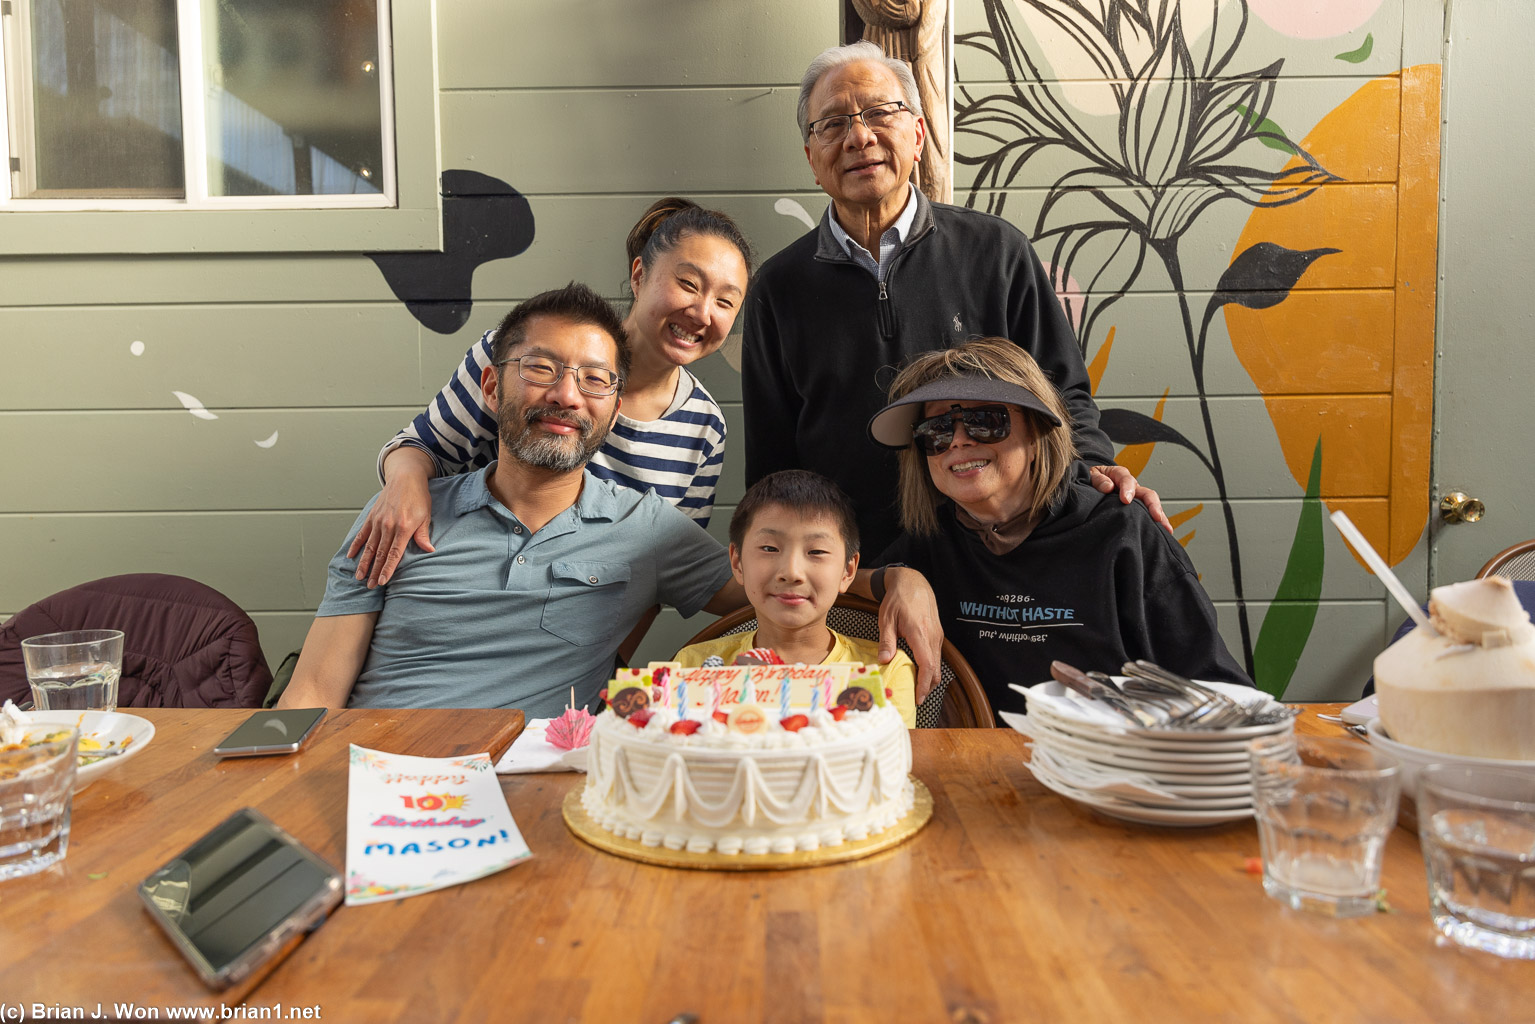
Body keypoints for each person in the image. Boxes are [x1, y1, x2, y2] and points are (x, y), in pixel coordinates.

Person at [278, 284, 946, 715]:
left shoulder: (644, 530)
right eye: (540, 369)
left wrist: (897, 578)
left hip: (542, 788)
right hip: (375, 775)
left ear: (613, 407)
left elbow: (781, 580)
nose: (566, 395)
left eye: (593, 380)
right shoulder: (402, 511)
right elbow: (312, 691)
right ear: (489, 386)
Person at [742, 40, 1165, 557]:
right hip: (854, 572)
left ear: (917, 135)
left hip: (996, 557)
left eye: (879, 113)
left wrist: (1093, 470)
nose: (858, 136)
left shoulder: (996, 251)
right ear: (812, 158)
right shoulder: (778, 288)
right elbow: (771, 461)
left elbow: (1063, 394)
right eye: (831, 124)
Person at [351, 197, 754, 589]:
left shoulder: (705, 425)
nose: (702, 313)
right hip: (460, 583)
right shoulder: (518, 359)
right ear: (639, 276)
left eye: (724, 301)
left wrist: (607, 654)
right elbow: (419, 448)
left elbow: (664, 566)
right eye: (688, 284)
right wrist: (401, 488)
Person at [866, 338, 1249, 721]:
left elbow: (1220, 692)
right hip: (974, 768)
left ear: (1037, 432)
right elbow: (828, 586)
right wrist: (894, 579)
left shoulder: (1123, 533)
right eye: (936, 431)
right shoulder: (930, 543)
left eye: (985, 421)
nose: (959, 440)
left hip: (1110, 768)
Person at [675, 470, 918, 727]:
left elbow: (894, 763)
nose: (791, 572)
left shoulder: (884, 673)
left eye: (816, 551)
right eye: (769, 548)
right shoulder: (693, 667)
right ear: (737, 562)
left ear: (848, 570)